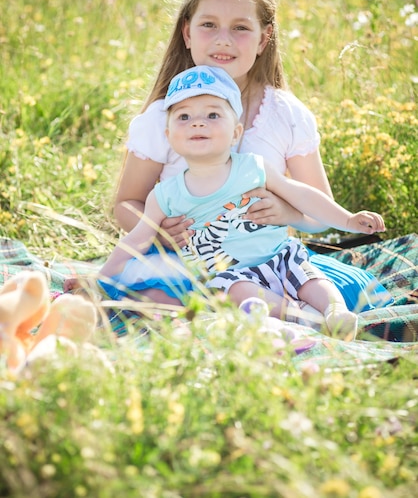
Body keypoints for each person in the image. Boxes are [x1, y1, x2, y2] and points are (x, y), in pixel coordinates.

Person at [112, 0, 392, 314]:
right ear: (187, 33)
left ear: (264, 38)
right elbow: (126, 203)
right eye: (208, 25)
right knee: (157, 300)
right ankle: (275, 316)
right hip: (191, 262)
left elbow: (319, 213)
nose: (223, 39)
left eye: (240, 27)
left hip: (265, 262)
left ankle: (288, 312)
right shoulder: (165, 118)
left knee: (354, 292)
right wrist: (160, 232)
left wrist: (287, 212)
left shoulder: (285, 115)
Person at [99, 65, 386, 340]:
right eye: (184, 117)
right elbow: (136, 239)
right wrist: (100, 279)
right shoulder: (165, 195)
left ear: (236, 133)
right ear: (169, 136)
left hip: (278, 254)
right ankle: (302, 318)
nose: (198, 122)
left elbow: (301, 193)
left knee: (310, 277)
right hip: (231, 274)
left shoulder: (253, 167)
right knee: (231, 291)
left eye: (212, 115)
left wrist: (348, 220)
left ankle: (335, 310)